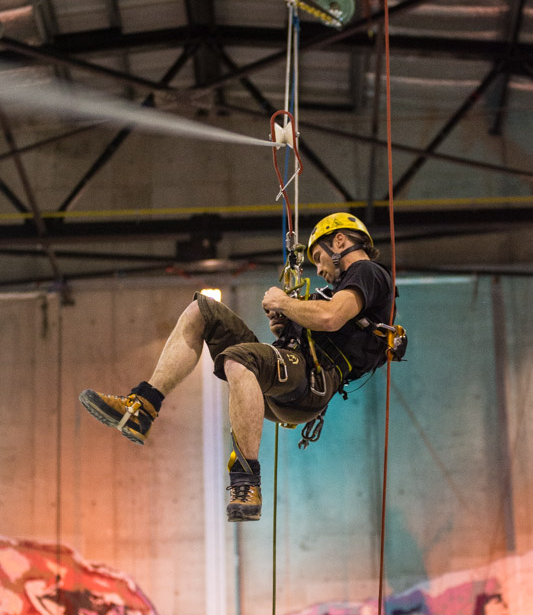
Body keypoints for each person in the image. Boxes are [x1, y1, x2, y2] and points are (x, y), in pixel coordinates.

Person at [79, 212, 396, 523]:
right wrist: (287, 324)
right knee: (202, 310)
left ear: (339, 241)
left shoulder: (367, 272)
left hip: (312, 381)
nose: (320, 268)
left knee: (240, 358)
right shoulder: (340, 289)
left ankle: (247, 482)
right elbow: (324, 321)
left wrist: (283, 302)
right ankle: (143, 406)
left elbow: (330, 318)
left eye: (318, 257)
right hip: (290, 371)